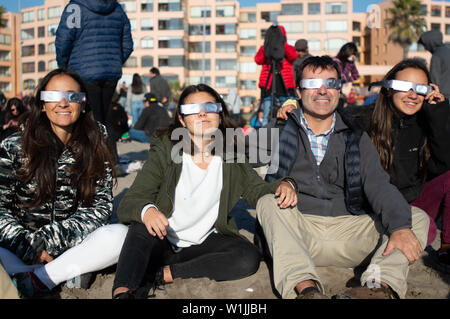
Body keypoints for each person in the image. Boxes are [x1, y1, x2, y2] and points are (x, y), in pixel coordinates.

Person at [256, 56, 429, 299]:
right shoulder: (279, 132)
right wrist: (281, 183)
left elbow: (378, 185)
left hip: (350, 232)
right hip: (299, 234)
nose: (323, 90)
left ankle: (377, 289)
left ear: (339, 90)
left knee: (415, 218)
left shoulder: (356, 135)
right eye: (313, 83)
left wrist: (400, 227)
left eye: (331, 83)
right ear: (299, 91)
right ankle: (307, 290)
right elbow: (250, 177)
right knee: (267, 202)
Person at [111, 84, 297, 299]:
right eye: (192, 109)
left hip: (201, 244)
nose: (201, 113)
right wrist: (147, 210)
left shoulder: (231, 156)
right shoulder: (165, 151)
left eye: (209, 106)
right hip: (162, 239)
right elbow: (131, 200)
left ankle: (165, 275)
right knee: (140, 226)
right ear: (181, 119)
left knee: (247, 257)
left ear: (219, 114)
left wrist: (286, 183)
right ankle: (122, 292)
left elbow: (257, 190)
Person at [0, 68, 128, 298]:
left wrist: (51, 239)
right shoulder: (13, 146)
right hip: (20, 245)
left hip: (73, 245)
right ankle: (52, 274)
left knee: (120, 236)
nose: (62, 103)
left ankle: (37, 277)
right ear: (41, 103)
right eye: (52, 96)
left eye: (72, 96)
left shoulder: (96, 142)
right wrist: (29, 246)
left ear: (83, 102)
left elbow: (100, 208)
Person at [348, 59, 450, 272]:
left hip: (415, 203)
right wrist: (291, 107)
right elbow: (328, 115)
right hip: (376, 207)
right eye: (404, 87)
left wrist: (438, 114)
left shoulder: (427, 120)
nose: (412, 94)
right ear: (388, 88)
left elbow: (443, 165)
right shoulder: (364, 120)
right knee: (412, 236)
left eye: (420, 89)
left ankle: (447, 246)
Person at [55, 0, 133, 174]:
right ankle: (113, 162)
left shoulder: (76, 7)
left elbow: (63, 41)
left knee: (87, 119)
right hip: (110, 73)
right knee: (103, 118)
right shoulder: (117, 8)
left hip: (82, 72)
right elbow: (127, 44)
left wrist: (64, 68)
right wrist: (114, 62)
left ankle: (92, 164)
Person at [255, 25, 297, 126]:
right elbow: (258, 60)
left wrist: (282, 44)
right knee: (267, 114)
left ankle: (288, 132)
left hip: (285, 86)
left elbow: (293, 56)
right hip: (269, 85)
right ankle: (265, 136)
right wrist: (267, 46)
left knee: (288, 112)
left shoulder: (287, 47)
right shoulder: (266, 48)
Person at [418, 30, 450, 100]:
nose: (425, 48)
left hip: (444, 97)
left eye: (425, 45)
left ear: (431, 43)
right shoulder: (447, 49)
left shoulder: (437, 55)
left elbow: (434, 81)